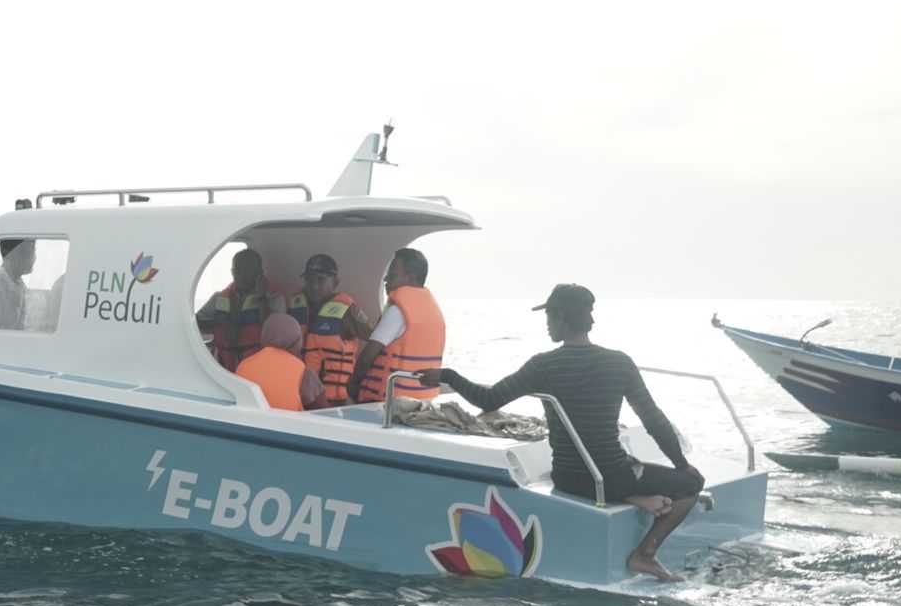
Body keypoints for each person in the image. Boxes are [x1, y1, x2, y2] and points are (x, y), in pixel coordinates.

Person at [416, 284, 704, 582]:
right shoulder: (619, 362)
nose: (547, 325)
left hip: (568, 478)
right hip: (611, 478)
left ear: (563, 318)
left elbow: (488, 401)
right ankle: (644, 552)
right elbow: (654, 419)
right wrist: (682, 465)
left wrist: (448, 376)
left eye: (550, 317)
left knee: (626, 471)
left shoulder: (544, 365)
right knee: (692, 484)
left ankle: (639, 513)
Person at [348, 248, 445, 403]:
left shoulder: (398, 311)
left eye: (392, 274)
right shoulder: (433, 311)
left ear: (410, 277)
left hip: (389, 403)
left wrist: (352, 386)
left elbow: (368, 356)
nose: (386, 279)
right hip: (422, 399)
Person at [287, 253, 372, 405]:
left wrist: (356, 383)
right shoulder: (295, 305)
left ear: (335, 282)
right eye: (309, 280)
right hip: (298, 395)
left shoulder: (347, 310)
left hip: (333, 401)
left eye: (320, 280)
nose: (314, 286)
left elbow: (374, 340)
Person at [196, 248, 286, 371]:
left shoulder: (275, 298)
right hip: (223, 367)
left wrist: (261, 298)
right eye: (236, 270)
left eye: (246, 270)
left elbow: (276, 333)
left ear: (259, 272)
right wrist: (219, 323)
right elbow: (195, 323)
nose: (239, 274)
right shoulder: (219, 297)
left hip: (257, 367)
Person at [236, 313, 324, 411]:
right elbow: (324, 413)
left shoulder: (243, 366)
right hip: (286, 426)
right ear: (297, 341)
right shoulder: (304, 373)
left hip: (250, 424)